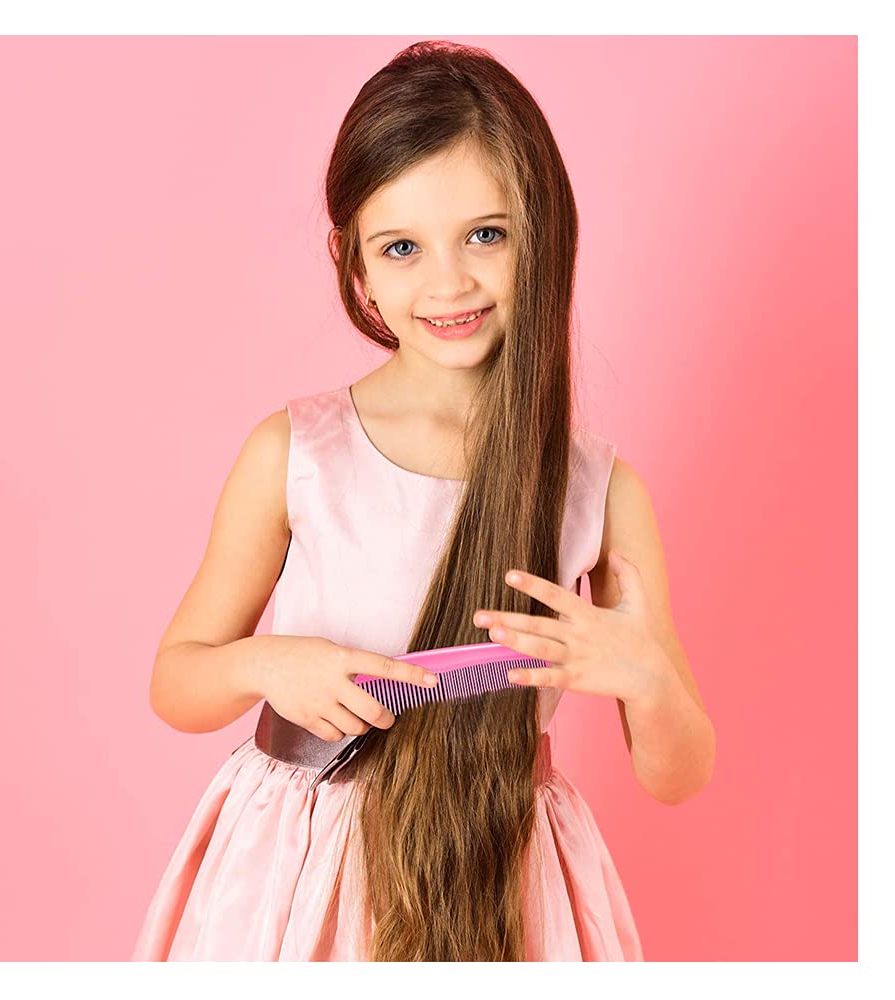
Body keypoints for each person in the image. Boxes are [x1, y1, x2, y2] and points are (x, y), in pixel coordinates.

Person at [132, 40, 716, 962]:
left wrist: (642, 675)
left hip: (502, 871)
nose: (448, 283)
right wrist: (269, 664)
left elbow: (678, 775)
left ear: (545, 229)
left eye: (486, 234)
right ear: (352, 261)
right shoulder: (295, 453)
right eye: (402, 247)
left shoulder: (601, 491)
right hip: (302, 868)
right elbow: (178, 681)